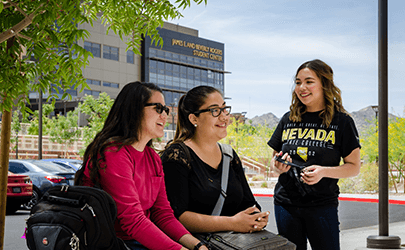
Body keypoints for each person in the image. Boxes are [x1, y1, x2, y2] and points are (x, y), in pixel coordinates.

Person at [74, 82, 209, 250]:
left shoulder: (152, 157)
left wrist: (198, 245)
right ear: (135, 110)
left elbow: (162, 214)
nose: (164, 115)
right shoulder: (113, 153)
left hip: (138, 240)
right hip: (110, 243)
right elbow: (133, 221)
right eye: (158, 108)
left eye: (166, 110)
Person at [267, 59, 361, 250]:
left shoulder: (342, 122)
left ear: (324, 84)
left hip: (322, 206)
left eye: (309, 81)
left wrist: (323, 172)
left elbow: (354, 167)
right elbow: (274, 159)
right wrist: (278, 166)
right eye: (298, 82)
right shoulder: (288, 119)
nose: (302, 87)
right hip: (286, 203)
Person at [161, 85, 269, 234]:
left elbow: (249, 203)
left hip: (233, 242)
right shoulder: (177, 155)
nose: (224, 116)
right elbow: (177, 216)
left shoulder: (229, 155)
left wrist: (256, 217)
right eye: (215, 111)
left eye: (224, 109)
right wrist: (232, 223)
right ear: (193, 118)